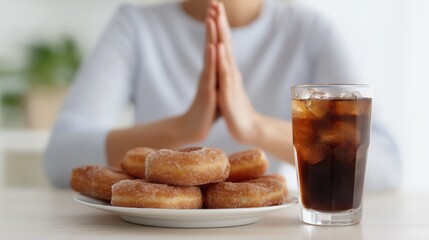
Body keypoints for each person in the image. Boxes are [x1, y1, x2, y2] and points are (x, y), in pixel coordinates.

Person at [44, 0, 401, 190]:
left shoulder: (309, 30)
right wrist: (184, 128)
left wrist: (255, 127)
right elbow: (59, 157)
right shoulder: (135, 26)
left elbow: (385, 166)